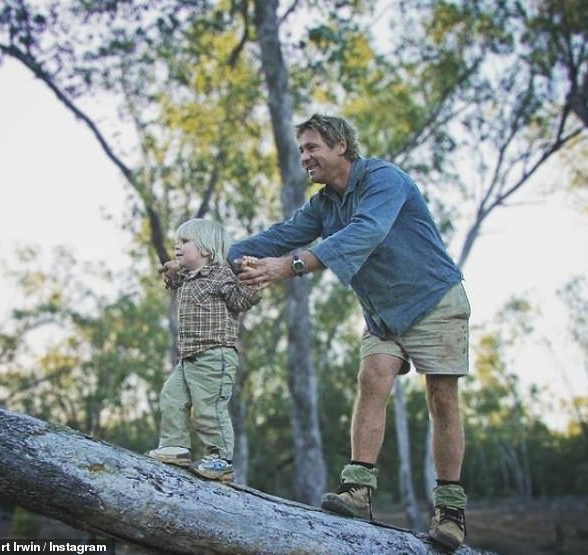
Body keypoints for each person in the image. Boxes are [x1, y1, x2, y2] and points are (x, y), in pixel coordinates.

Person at [228, 114, 470, 550]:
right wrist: (220, 258)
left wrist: (290, 266)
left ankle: (451, 512)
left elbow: (367, 231)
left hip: (434, 299)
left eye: (311, 147)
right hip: (383, 314)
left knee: (441, 399)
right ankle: (358, 491)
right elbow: (282, 234)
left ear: (341, 145)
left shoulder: (383, 179)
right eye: (301, 149)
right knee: (372, 380)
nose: (304, 157)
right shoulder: (324, 205)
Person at [147, 218, 260, 482]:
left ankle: (221, 459)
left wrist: (251, 280)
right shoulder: (186, 277)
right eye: (177, 242)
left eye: (184, 242)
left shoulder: (220, 275)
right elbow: (173, 277)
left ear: (207, 250)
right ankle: (175, 446)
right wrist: (173, 269)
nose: (177, 247)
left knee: (209, 408)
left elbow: (240, 299)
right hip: (188, 357)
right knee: (171, 397)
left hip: (215, 355)